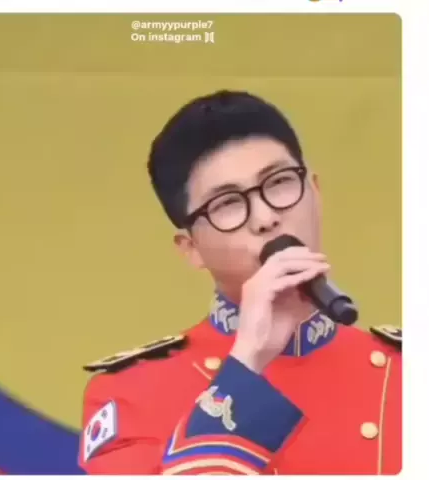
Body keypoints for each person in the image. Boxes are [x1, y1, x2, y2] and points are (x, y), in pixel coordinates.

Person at [78, 90, 401, 475]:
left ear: (315, 192)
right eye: (227, 203)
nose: (265, 217)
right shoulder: (131, 393)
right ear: (191, 249)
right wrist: (247, 361)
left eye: (279, 182)